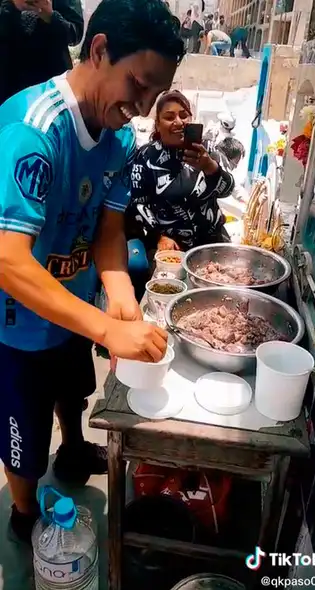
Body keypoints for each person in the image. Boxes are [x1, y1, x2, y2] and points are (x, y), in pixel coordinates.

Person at [0, 0, 180, 541]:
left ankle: (75, 450)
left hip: (73, 305)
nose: (144, 107)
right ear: (99, 50)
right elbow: (8, 261)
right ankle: (24, 511)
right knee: (23, 434)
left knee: (72, 388)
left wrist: (119, 293)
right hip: (18, 323)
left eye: (155, 94)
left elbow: (108, 231)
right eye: (139, 85)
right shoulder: (34, 132)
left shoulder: (119, 137)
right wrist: (107, 327)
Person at [124, 91, 236, 294]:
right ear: (157, 124)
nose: (179, 121)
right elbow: (138, 204)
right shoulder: (147, 157)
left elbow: (228, 189)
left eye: (184, 115)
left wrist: (210, 167)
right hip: (170, 247)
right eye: (169, 117)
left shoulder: (208, 150)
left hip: (212, 241)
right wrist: (160, 236)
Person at [0, 0, 85, 105]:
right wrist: (12, 6)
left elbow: (75, 33)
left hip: (51, 85)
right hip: (7, 79)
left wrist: (51, 16)